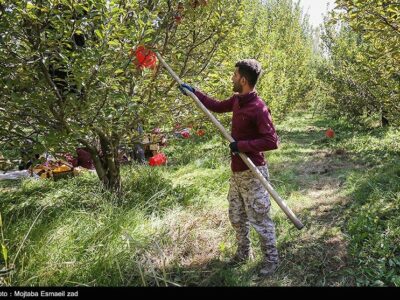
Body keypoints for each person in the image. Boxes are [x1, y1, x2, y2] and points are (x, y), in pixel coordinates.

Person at [178, 59, 280, 276]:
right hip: (237, 171)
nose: (232, 78)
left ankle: (271, 260)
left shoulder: (258, 108)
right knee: (236, 215)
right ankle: (243, 254)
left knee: (259, 218)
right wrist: (194, 92)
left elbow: (272, 141)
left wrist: (241, 146)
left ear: (243, 79)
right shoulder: (237, 101)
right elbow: (215, 105)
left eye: (234, 75)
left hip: (253, 172)